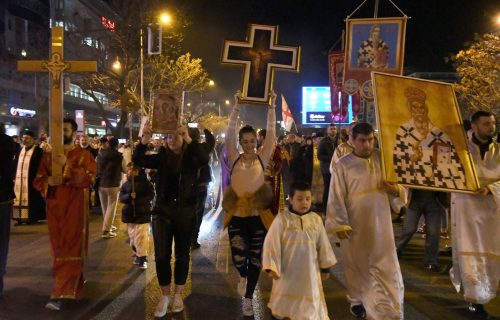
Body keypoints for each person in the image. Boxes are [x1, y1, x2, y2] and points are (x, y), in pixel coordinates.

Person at [326, 123, 404, 319]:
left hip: (382, 221)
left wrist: (395, 191)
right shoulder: (342, 165)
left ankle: (389, 299)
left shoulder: (383, 159)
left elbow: (400, 187)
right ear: (351, 140)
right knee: (356, 262)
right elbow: (335, 197)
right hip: (355, 222)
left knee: (385, 261)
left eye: (370, 140)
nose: (367, 145)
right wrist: (340, 223)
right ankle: (356, 299)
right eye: (362, 140)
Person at [133, 124, 208, 318]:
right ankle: (165, 295)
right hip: (162, 212)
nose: (171, 139)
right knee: (161, 255)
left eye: (176, 136)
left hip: (185, 211)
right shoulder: (161, 157)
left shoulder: (191, 157)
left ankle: (177, 295)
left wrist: (189, 139)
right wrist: (144, 140)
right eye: (168, 137)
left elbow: (204, 158)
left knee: (182, 255)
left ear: (183, 137)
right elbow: (138, 159)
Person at [33, 118, 97, 310]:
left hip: (75, 207)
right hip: (54, 207)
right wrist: (47, 183)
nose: (63, 134)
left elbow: (89, 178)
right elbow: (38, 180)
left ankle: (61, 293)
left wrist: (66, 165)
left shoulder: (83, 155)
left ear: (74, 133)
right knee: (58, 248)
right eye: (61, 130)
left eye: (67, 130)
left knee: (71, 246)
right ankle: (72, 282)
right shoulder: (48, 156)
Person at [222, 90, 276, 317]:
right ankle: (242, 277)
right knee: (238, 257)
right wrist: (236, 105)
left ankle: (248, 299)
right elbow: (229, 133)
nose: (248, 145)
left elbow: (272, 133)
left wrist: (271, 107)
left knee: (255, 258)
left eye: (252, 141)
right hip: (237, 214)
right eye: (244, 141)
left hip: (258, 216)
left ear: (257, 142)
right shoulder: (234, 156)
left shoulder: (262, 159)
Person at [262, 181, 337, 319]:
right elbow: (271, 243)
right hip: (287, 271)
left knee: (309, 308)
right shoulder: (282, 220)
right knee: (283, 305)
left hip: (310, 273)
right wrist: (271, 267)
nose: (304, 203)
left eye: (308, 199)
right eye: (300, 199)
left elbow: (323, 244)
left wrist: (325, 267)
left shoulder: (316, 220)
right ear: (291, 199)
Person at [450, 111, 499, 315]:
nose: (491, 127)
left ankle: (489, 292)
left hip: (492, 211)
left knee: (492, 253)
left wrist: (491, 188)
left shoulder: (498, 150)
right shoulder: (460, 149)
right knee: (470, 253)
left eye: (493, 123)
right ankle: (475, 300)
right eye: (486, 123)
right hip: (467, 210)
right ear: (474, 126)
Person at [393, 87, 466, 190]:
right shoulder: (404, 131)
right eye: (414, 107)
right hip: (414, 186)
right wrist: (412, 157)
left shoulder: (439, 135)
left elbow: (448, 164)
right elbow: (399, 160)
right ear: (410, 109)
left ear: (426, 109)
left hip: (438, 187)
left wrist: (435, 163)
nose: (419, 110)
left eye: (421, 107)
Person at [396, 189, 448, 272]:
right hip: (415, 199)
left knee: (433, 233)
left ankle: (431, 261)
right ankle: (397, 250)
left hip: (435, 199)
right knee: (409, 229)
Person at [119, 163, 154, 270]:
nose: (129, 172)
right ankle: (137, 254)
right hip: (130, 215)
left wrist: (138, 200)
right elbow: (121, 197)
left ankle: (142, 258)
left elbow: (151, 195)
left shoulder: (146, 183)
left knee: (141, 236)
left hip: (142, 214)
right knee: (133, 237)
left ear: (137, 171)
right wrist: (129, 197)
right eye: (128, 170)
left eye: (132, 170)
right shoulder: (126, 185)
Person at [12, 129, 45, 224]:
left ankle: (32, 218)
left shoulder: (38, 151)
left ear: (33, 140)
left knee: (32, 199)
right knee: (18, 198)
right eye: (23, 138)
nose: (25, 140)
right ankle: (19, 218)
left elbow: (40, 165)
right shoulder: (20, 150)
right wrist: (14, 175)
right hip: (19, 180)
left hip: (31, 180)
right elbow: (15, 163)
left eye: (27, 138)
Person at [190, 127, 216, 249]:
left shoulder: (183, 147)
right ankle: (193, 238)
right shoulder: (201, 148)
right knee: (198, 213)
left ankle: (189, 238)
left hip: (189, 187)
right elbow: (211, 141)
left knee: (190, 213)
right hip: (199, 186)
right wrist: (206, 129)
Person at [96, 137, 125, 238]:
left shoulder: (100, 154)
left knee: (105, 208)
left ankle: (108, 225)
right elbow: (125, 169)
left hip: (101, 183)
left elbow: (96, 166)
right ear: (117, 145)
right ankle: (106, 231)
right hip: (113, 183)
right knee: (111, 207)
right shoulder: (119, 156)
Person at [0, 122, 16, 296]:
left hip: (2, 197)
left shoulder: (5, 142)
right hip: (3, 196)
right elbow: (9, 170)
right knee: (2, 240)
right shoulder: (6, 142)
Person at [318, 125, 338, 210]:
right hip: (327, 169)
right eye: (331, 129)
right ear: (327, 130)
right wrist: (332, 158)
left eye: (334, 129)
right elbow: (320, 156)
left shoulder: (340, 141)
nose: (333, 130)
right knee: (328, 188)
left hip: (339, 169)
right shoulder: (324, 141)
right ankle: (325, 209)